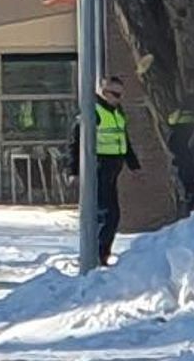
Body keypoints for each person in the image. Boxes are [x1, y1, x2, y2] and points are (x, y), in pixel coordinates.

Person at [68, 77, 141, 266]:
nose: (119, 98)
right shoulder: (93, 112)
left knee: (112, 214)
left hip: (113, 168)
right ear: (104, 92)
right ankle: (98, 256)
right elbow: (75, 142)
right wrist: (73, 171)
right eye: (115, 94)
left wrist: (133, 165)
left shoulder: (116, 111)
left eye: (121, 94)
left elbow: (123, 138)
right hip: (99, 167)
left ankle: (102, 254)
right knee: (107, 215)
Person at [167, 92, 194, 211]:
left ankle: (192, 201)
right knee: (188, 180)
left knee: (186, 181)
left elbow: (170, 121)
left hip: (181, 155)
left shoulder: (179, 116)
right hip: (187, 157)